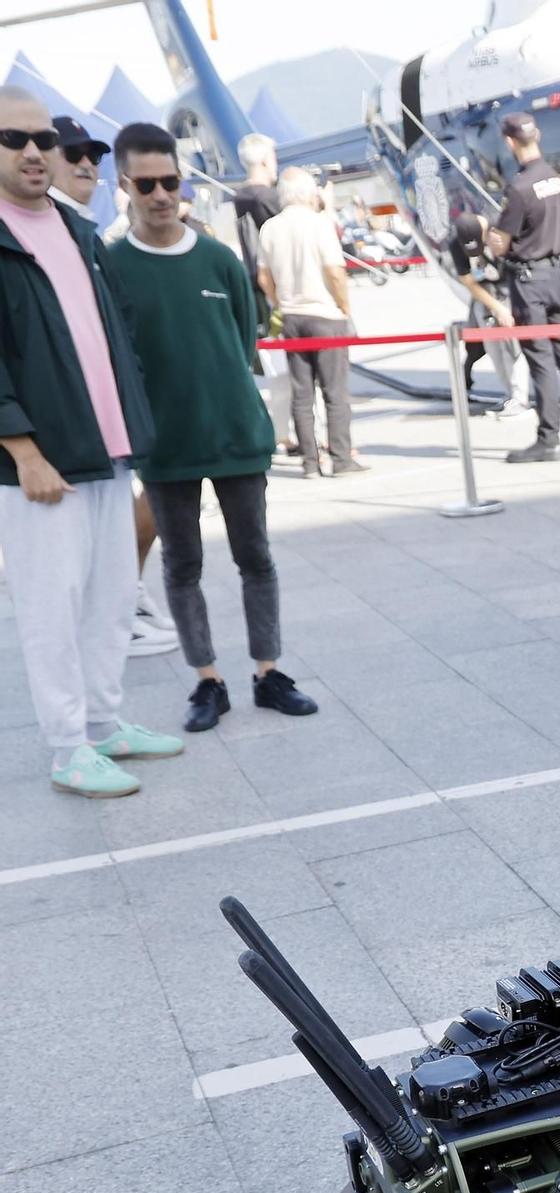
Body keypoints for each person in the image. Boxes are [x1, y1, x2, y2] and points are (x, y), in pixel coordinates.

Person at [105, 122, 319, 735]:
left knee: (257, 557)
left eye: (170, 181)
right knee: (182, 565)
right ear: (125, 186)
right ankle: (207, 681)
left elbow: (245, 337)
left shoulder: (219, 259)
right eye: (146, 184)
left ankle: (268, 672)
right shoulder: (113, 267)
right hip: (166, 444)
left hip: (235, 434)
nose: (161, 194)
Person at [0, 85, 183, 797]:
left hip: (108, 447)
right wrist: (22, 449)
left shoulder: (76, 229)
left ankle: (105, 724)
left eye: (44, 138)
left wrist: (133, 424)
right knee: (52, 605)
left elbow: (113, 334)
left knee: (112, 597)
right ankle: (67, 746)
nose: (36, 152)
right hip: (44, 462)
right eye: (14, 140)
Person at [49, 112, 178, 655]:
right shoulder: (45, 233)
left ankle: (120, 608)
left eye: (93, 155)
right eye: (72, 153)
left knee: (114, 523)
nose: (86, 162)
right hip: (69, 425)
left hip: (108, 414)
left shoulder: (80, 230)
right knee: (79, 546)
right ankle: (111, 619)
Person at [487, 114, 560, 463]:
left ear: (509, 142)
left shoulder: (519, 187)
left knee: (539, 358)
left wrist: (489, 236)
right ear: (537, 136)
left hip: (528, 280)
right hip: (555, 276)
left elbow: (501, 244)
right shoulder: (555, 178)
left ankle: (548, 439)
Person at [258, 165, 364, 477]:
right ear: (308, 193)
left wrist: (280, 301)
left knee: (301, 394)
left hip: (292, 315)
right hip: (325, 313)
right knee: (335, 392)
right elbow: (335, 270)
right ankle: (342, 458)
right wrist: (344, 307)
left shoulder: (270, 228)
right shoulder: (319, 224)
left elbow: (264, 276)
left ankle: (309, 461)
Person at [232, 131, 295, 458]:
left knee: (274, 372)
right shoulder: (267, 199)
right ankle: (285, 433)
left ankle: (282, 432)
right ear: (266, 160)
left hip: (255, 291)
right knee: (288, 371)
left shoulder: (238, 197)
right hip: (275, 292)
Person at [447, 211, 530, 417]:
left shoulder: (499, 227)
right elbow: (469, 282)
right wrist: (495, 307)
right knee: (493, 348)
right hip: (484, 296)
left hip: (510, 290)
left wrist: (506, 307)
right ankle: (509, 394)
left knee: (512, 346)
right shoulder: (456, 245)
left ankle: (521, 399)